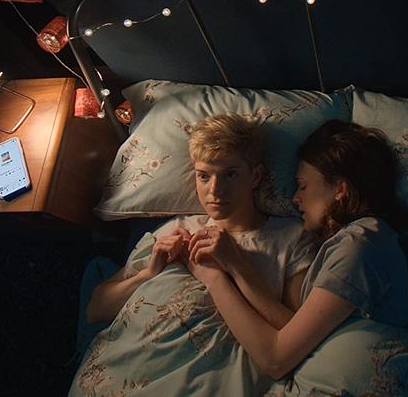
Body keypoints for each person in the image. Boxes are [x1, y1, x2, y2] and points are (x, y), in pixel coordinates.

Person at [69, 114, 317, 397]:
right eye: (204, 176)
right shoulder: (178, 228)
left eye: (230, 174)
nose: (215, 190)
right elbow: (95, 309)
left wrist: (237, 265)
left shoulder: (290, 238)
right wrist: (147, 274)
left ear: (256, 176)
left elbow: (295, 332)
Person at [188, 119, 408, 380]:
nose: (295, 198)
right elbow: (292, 328)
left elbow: (276, 359)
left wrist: (215, 277)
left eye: (303, 185)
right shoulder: (348, 243)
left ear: (340, 190)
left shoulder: (360, 245)